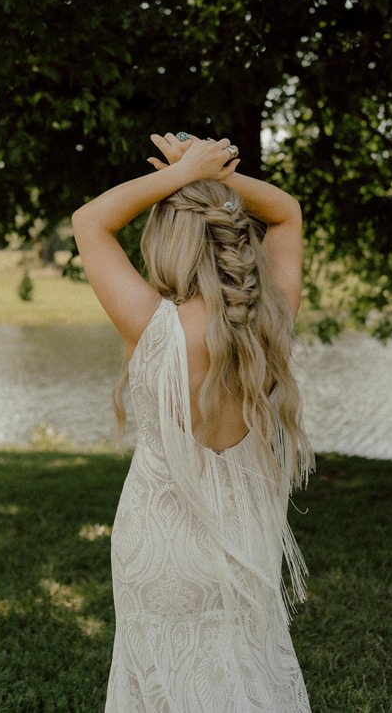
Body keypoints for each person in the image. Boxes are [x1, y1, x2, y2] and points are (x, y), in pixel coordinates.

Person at [71, 131, 313, 713]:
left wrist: (182, 175)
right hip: (247, 543)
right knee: (248, 676)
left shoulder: (150, 326)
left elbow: (90, 222)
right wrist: (217, 177)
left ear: (167, 244)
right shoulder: (273, 314)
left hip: (158, 555)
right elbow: (286, 213)